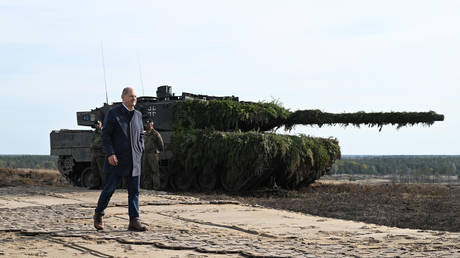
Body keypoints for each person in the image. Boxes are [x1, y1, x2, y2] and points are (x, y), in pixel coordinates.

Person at [93, 87, 147, 231]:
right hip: (116, 159)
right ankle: (99, 213)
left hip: (134, 160)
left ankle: (134, 220)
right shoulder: (113, 113)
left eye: (135, 97)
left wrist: (140, 148)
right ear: (123, 97)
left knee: (134, 192)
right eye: (131, 96)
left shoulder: (138, 115)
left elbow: (141, 134)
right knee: (109, 189)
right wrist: (110, 153)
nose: (133, 99)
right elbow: (106, 135)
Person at [141, 121, 164, 190]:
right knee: (145, 171)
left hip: (153, 154)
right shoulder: (144, 134)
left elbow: (161, 144)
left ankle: (156, 187)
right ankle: (147, 186)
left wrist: (157, 151)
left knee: (154, 171)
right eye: (146, 124)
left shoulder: (156, 134)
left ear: (151, 125)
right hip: (145, 154)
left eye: (148, 124)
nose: (146, 125)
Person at [89, 121, 105, 189]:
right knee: (94, 170)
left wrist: (96, 146)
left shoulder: (104, 132)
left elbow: (104, 142)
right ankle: (96, 184)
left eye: (98, 124)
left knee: (102, 171)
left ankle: (105, 185)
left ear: (101, 125)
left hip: (101, 154)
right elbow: (92, 142)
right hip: (94, 154)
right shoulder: (94, 133)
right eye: (96, 124)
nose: (96, 125)